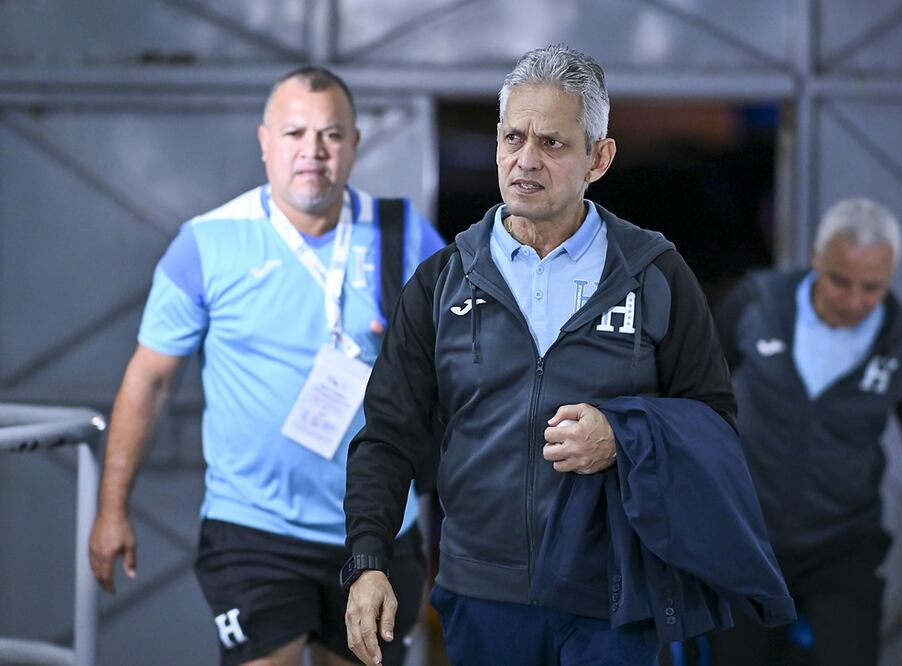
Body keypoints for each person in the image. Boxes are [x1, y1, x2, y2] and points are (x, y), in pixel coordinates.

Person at [341, 44, 793, 666]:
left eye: (552, 144)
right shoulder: (442, 281)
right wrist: (368, 561)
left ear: (598, 158)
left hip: (612, 603)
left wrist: (623, 433)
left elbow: (713, 422)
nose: (526, 161)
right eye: (513, 138)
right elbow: (387, 437)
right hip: (482, 599)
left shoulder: (652, 274)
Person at [88, 66, 445, 666]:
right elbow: (148, 383)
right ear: (264, 142)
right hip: (252, 527)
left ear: (355, 143)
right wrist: (111, 509)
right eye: (294, 133)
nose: (313, 151)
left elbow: (463, 364)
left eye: (332, 134)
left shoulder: (403, 233)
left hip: (377, 530)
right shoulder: (206, 244)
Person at [711, 197, 902, 666]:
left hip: (844, 548)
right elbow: (691, 410)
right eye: (841, 281)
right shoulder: (755, 305)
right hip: (749, 543)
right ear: (816, 259)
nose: (854, 301)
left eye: (873, 288)